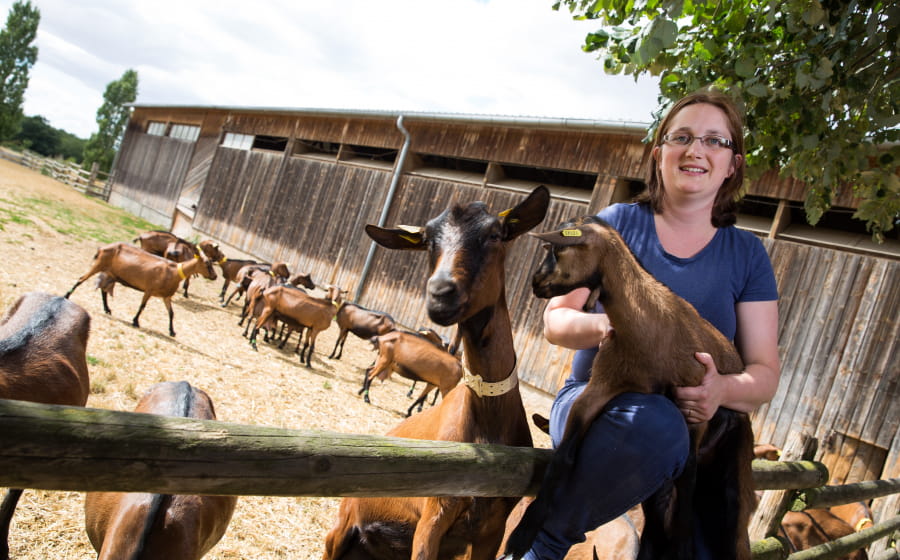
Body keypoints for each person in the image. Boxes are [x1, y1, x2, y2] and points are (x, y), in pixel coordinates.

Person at [513, 88, 781, 559]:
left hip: (700, 432)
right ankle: (540, 546)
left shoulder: (747, 255)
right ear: (659, 155)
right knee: (651, 421)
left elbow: (764, 374)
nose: (696, 149)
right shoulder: (613, 225)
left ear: (732, 164)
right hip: (602, 405)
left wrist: (719, 391)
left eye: (714, 141)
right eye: (682, 136)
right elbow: (556, 321)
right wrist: (613, 329)